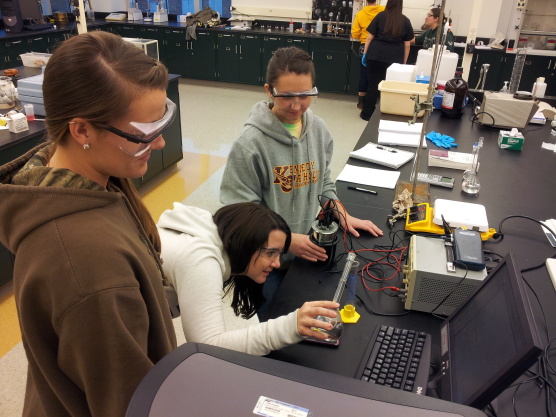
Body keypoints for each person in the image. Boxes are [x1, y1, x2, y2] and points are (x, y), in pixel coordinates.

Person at [0, 31, 177, 417]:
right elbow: (124, 405)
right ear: (82, 130)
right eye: (145, 134)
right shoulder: (88, 268)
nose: (160, 144)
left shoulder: (83, 181)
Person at [219, 47, 383, 318]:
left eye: (305, 95)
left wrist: (341, 213)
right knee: (278, 337)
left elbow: (323, 180)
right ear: (269, 91)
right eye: (286, 96)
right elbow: (238, 215)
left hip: (307, 253)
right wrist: (285, 241)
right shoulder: (249, 145)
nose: (296, 105)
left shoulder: (319, 131)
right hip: (268, 262)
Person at [157, 201, 341, 355]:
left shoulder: (215, 234)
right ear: (245, 243)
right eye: (270, 253)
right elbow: (207, 347)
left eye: (279, 254)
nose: (277, 263)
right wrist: (291, 327)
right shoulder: (200, 260)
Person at [360, 0, 414, 120]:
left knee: (373, 85)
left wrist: (365, 54)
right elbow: (407, 45)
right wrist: (403, 63)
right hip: (394, 58)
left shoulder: (380, 16)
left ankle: (367, 114)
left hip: (375, 55)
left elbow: (369, 37)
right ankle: (387, 114)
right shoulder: (405, 20)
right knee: (390, 88)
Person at [350, 0, 385, 109]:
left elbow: (355, 33)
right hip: (379, 46)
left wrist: (363, 33)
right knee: (379, 75)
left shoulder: (360, 14)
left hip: (364, 46)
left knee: (364, 75)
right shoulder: (384, 11)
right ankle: (377, 102)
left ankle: (361, 103)